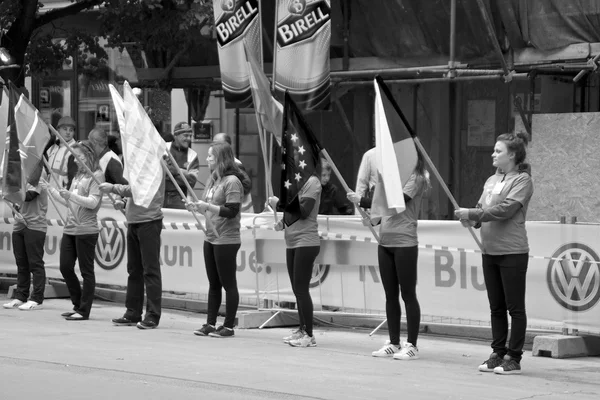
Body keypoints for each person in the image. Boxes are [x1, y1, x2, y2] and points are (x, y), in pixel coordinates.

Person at [455, 132, 533, 375]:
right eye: (494, 150)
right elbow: (482, 209)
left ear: (512, 155)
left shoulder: (522, 180)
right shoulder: (490, 180)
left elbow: (507, 209)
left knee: (515, 307)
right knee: (496, 307)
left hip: (512, 251)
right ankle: (497, 352)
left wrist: (475, 214)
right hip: (489, 251)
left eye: (498, 151)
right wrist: (472, 220)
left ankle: (514, 357)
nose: (493, 154)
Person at [354, 152, 430, 360]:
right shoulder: (390, 179)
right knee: (390, 295)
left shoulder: (417, 177)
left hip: (404, 242)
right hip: (384, 242)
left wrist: (363, 200)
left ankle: (412, 345)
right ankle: (394, 342)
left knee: (408, 294)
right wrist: (373, 220)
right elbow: (383, 212)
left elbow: (396, 204)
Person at [188, 142, 250, 338]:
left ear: (221, 159)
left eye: (210, 157)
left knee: (228, 283)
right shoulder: (214, 179)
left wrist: (207, 206)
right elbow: (209, 205)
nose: (207, 160)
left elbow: (232, 211)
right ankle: (210, 323)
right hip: (211, 236)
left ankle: (229, 326)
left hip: (227, 238)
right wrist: (196, 206)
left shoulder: (232, 181)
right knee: (213, 283)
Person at [99, 164, 165, 330]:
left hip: (149, 221)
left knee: (150, 270)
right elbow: (134, 193)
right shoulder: (140, 164)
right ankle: (132, 312)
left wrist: (114, 188)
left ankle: (152, 315)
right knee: (134, 270)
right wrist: (124, 202)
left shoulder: (155, 166)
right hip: (134, 221)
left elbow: (141, 190)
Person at [48, 141, 104, 321]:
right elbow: (69, 202)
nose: (76, 161)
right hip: (70, 228)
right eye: (74, 157)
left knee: (86, 271)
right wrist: (50, 189)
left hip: (86, 229)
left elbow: (93, 202)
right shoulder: (78, 176)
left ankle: (84, 310)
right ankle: (77, 303)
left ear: (88, 156)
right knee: (65, 267)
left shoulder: (97, 176)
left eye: (79, 157)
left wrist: (71, 195)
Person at [268, 172, 322, 348]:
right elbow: (293, 214)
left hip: (306, 242)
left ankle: (309, 335)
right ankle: (302, 328)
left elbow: (304, 210)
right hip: (291, 242)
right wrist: (282, 223)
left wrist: (279, 204)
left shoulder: (312, 182)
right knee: (297, 289)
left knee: (301, 289)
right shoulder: (295, 184)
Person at [2, 165, 48, 311]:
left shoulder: (39, 177)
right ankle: (21, 295)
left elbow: (28, 197)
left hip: (35, 225)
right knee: (21, 263)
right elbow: (17, 202)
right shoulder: (21, 177)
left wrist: (9, 193)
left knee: (35, 263)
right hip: (19, 224)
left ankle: (37, 298)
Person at [213, 132, 253, 212]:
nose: (214, 147)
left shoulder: (235, 165)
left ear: (227, 146)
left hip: (239, 214)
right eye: (214, 143)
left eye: (217, 144)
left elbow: (245, 187)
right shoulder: (219, 164)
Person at [164, 122, 199, 209]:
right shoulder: (163, 148)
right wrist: (183, 173)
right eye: (186, 135)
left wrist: (174, 170)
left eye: (190, 136)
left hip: (180, 199)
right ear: (176, 135)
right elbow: (157, 174)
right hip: (159, 197)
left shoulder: (193, 155)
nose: (189, 139)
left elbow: (192, 180)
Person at [46, 116, 78, 190]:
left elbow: (73, 177)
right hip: (49, 193)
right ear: (58, 130)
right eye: (65, 129)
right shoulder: (52, 147)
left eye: (71, 130)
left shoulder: (74, 150)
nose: (68, 132)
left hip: (62, 195)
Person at [354, 147, 377, 215]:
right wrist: (359, 215)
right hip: (375, 212)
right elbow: (361, 185)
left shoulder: (401, 155)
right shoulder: (370, 155)